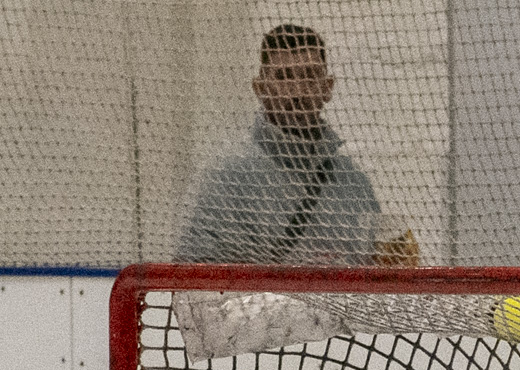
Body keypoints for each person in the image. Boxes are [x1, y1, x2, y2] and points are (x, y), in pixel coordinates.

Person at [175, 23, 409, 266]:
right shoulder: (226, 176)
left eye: (309, 76)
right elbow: (193, 279)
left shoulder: (354, 184)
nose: (297, 92)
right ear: (260, 88)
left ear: (327, 87)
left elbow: (376, 276)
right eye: (283, 77)